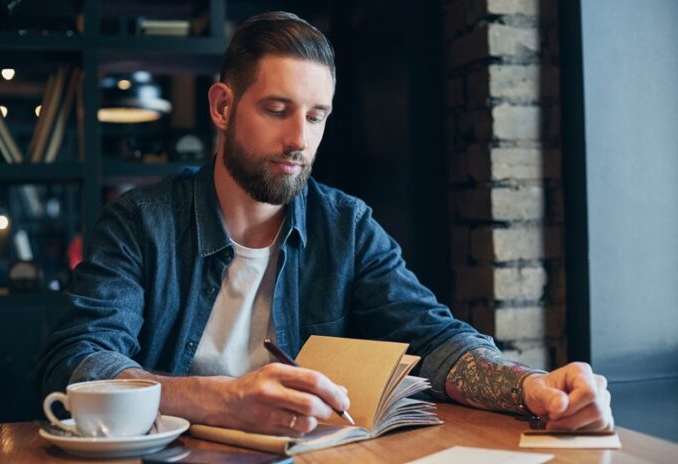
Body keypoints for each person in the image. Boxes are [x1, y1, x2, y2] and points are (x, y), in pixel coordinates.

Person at [37, 11, 612, 437]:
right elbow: (80, 361)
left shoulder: (347, 227)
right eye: (277, 109)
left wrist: (532, 387)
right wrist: (221, 399)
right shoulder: (139, 223)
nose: (299, 140)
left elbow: (436, 341)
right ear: (221, 106)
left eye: (316, 117)